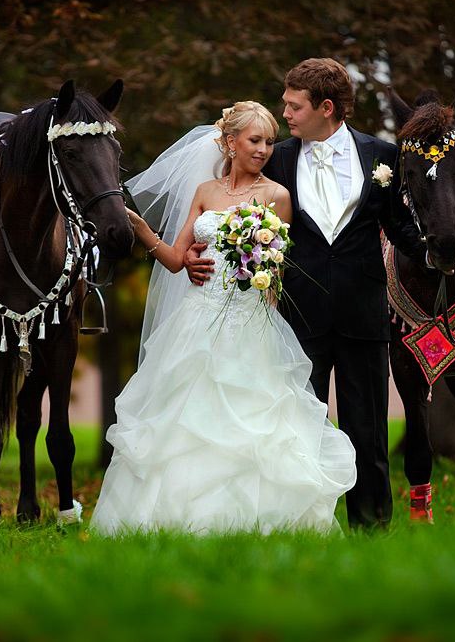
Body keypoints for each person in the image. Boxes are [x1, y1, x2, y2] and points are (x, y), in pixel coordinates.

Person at [90, 101, 357, 535]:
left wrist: (259, 295)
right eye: (255, 140)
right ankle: (173, 517)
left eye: (270, 142)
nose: (265, 150)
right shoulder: (204, 192)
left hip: (248, 321)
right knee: (182, 418)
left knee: (255, 422)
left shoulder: (276, 196)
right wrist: (143, 230)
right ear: (230, 142)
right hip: (196, 321)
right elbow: (177, 260)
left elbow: (276, 276)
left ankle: (255, 518)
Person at [185, 59, 426, 529]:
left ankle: (371, 530)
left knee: (368, 432)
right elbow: (228, 203)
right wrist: (196, 253)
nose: (286, 114)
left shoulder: (382, 157)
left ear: (327, 107)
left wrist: (436, 254)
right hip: (296, 317)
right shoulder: (275, 159)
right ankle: (303, 525)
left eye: (294, 106)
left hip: (363, 312)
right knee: (293, 431)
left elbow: (398, 227)